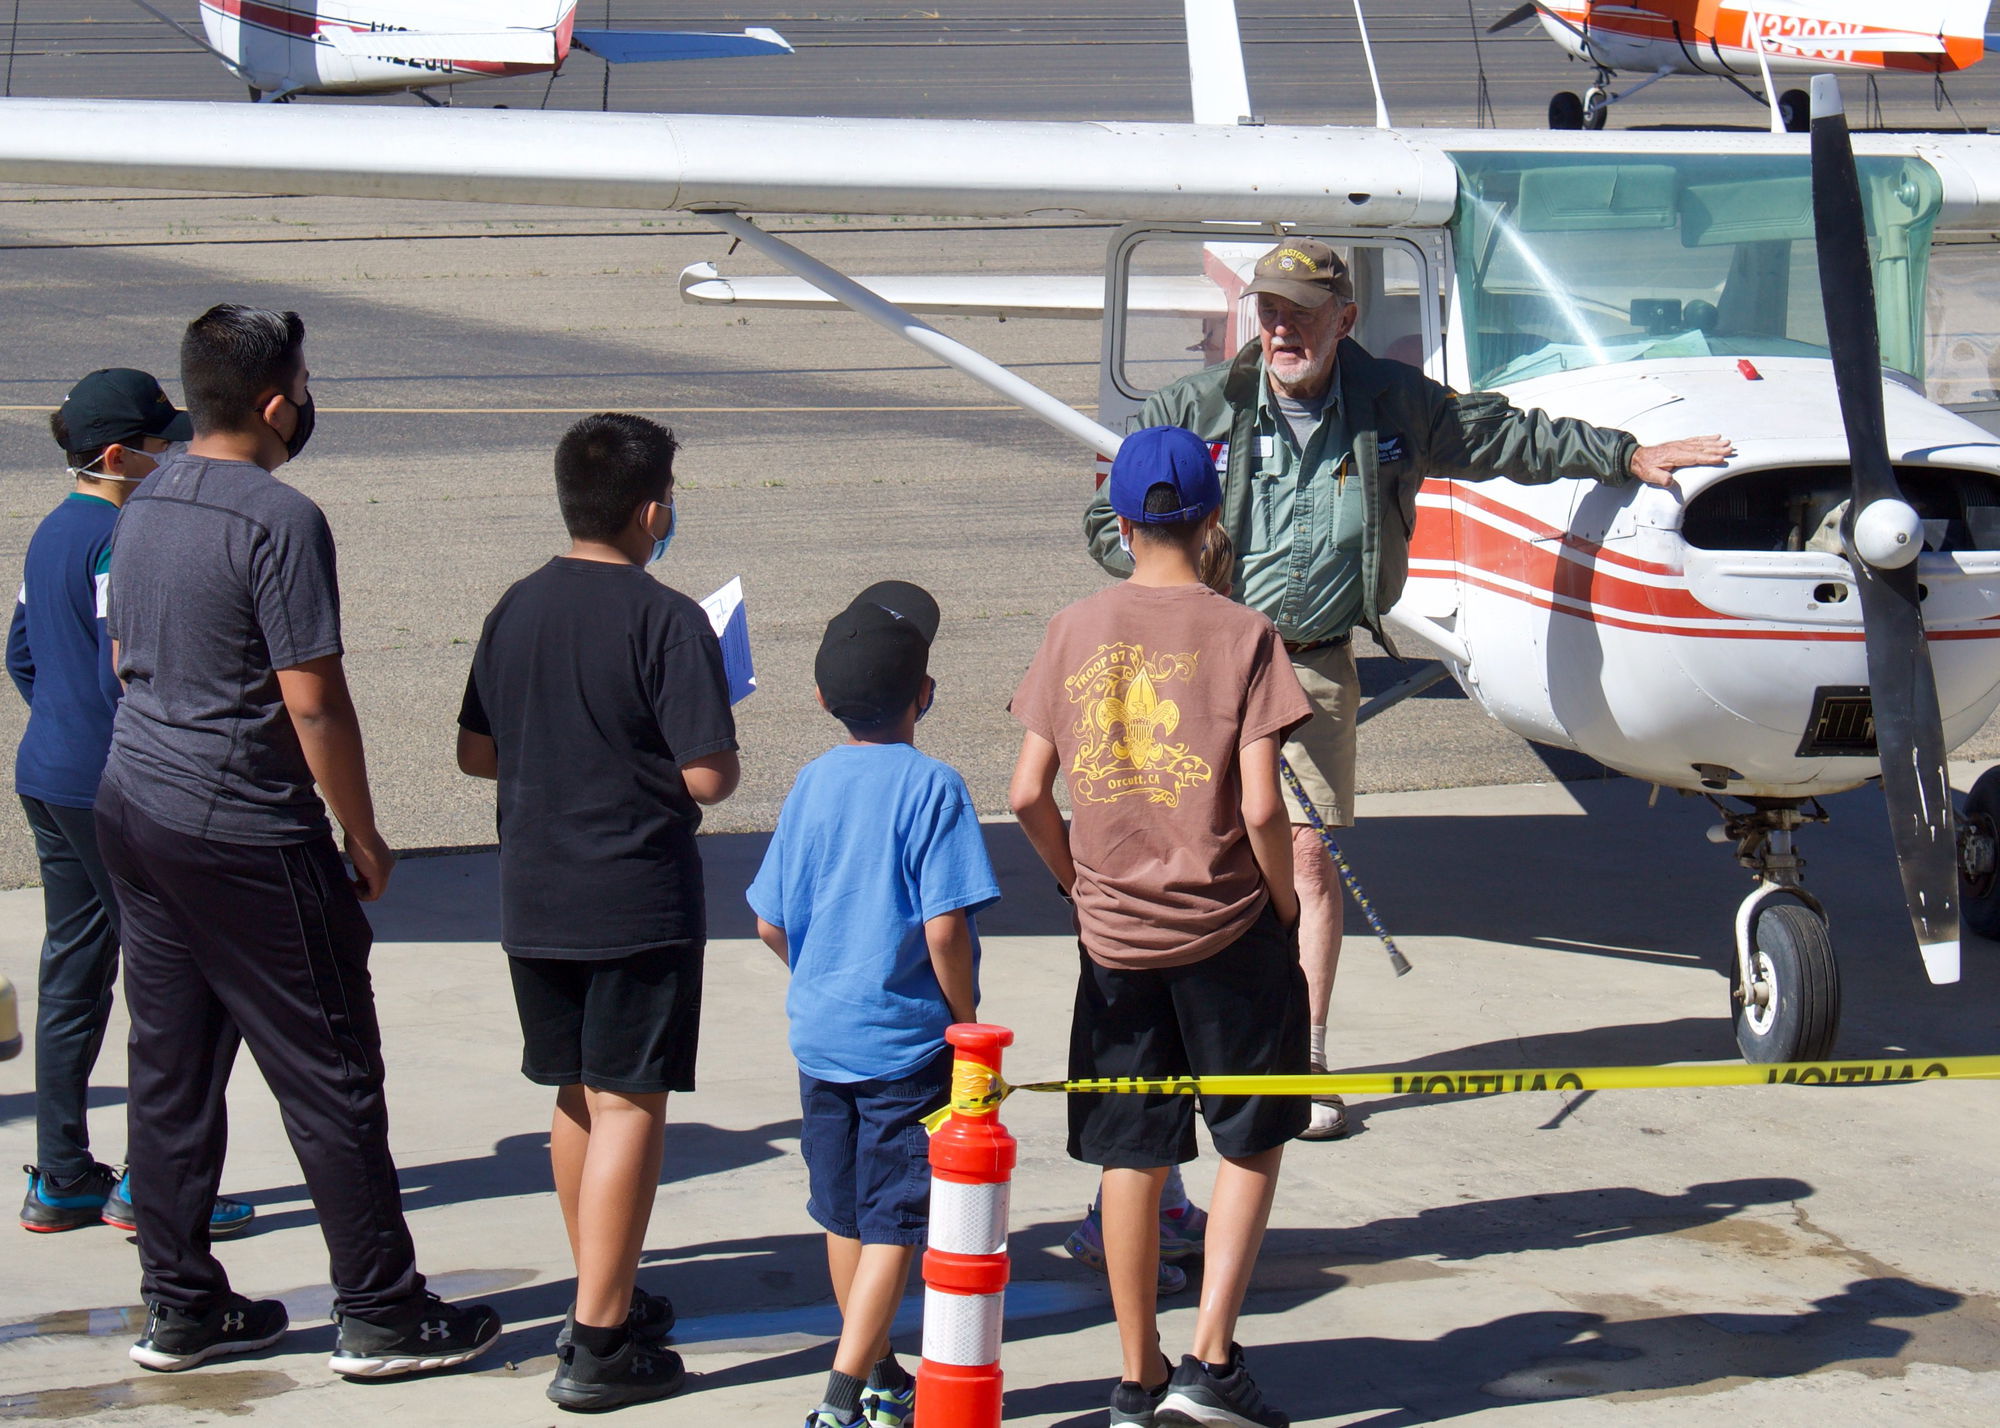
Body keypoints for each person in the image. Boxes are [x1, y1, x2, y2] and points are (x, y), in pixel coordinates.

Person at [1083, 240, 1735, 1140]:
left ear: (1344, 322)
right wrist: (1170, 577)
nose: (1282, 328)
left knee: (1305, 858)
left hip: (1309, 664)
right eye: (1269, 310)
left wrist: (1625, 455)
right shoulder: (1192, 411)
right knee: (1204, 855)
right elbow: (1103, 522)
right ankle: (1188, 1045)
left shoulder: (1393, 403)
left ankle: (1300, 1061)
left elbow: (1505, 435)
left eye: (1302, 313)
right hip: (1192, 664)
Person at [95, 304, 499, 1376]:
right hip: (240, 828)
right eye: (305, 386)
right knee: (328, 1069)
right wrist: (359, 830)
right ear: (277, 404)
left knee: (169, 1067)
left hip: (135, 804)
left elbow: (130, 649)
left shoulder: (144, 496)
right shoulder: (277, 518)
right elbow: (312, 701)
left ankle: (178, 1302)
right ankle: (379, 1308)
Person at [1015, 426, 1316, 1428]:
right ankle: (1210, 1356)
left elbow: (1025, 793)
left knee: (1130, 1153)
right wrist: (1280, 908)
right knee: (1249, 1135)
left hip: (1111, 938)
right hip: (1225, 925)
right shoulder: (1242, 634)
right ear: (1211, 515)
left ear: (1122, 519)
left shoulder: (1070, 627)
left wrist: (1078, 885)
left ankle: (1135, 1374)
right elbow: (1262, 808)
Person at [456, 411, 739, 1412]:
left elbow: (475, 752)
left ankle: (599, 1287)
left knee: (573, 1094)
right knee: (630, 1102)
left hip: (534, 891)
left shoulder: (515, 606)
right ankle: (599, 1337)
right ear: (651, 507)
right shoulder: (666, 620)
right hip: (634, 896)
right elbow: (709, 776)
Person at [748, 580, 1001, 1428]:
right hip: (904, 1047)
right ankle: (841, 1395)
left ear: (821, 699)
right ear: (923, 695)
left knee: (844, 1208)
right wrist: (963, 1017)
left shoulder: (812, 782)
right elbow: (945, 930)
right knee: (898, 1218)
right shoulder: (934, 787)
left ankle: (881, 1369)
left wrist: (821, 978)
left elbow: (768, 921)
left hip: (820, 1037)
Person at [11, 370, 250, 1240]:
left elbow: (24, 653)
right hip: (118, 784)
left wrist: (65, 721)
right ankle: (157, 1182)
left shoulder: (50, 533)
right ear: (116, 457)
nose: (175, 454)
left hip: (48, 771)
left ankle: (64, 1171)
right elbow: (134, 659)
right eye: (161, 444)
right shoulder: (124, 535)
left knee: (73, 974)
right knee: (174, 982)